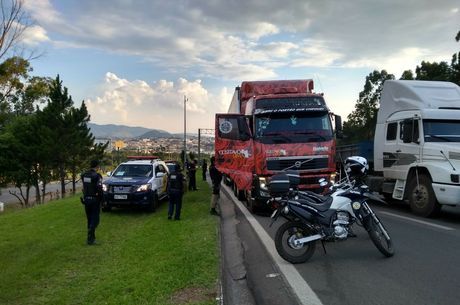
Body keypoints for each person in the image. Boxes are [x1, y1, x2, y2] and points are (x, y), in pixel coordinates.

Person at [80, 160, 103, 245]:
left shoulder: (84, 175)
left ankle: (90, 239)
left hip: (86, 199)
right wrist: (102, 200)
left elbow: (84, 187)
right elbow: (99, 188)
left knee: (89, 219)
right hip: (95, 199)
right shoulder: (97, 176)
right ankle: (91, 233)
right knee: (95, 220)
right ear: (97, 166)